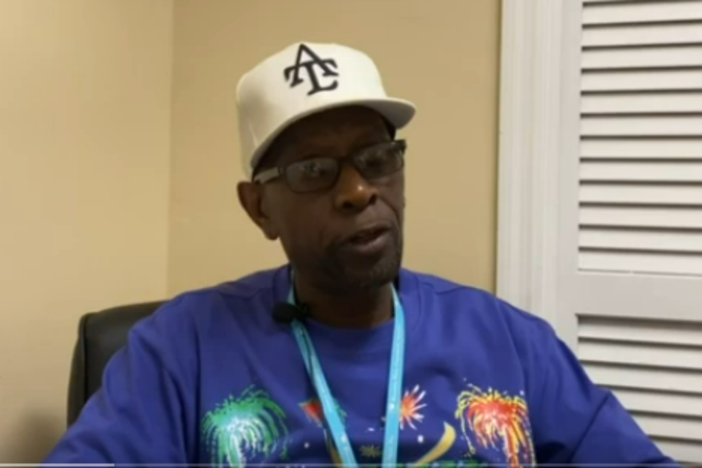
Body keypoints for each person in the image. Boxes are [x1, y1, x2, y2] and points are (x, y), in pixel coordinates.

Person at [43, 42, 680, 467]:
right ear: (259, 207)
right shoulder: (179, 348)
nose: (357, 190)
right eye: (315, 171)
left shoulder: (511, 343)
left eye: (376, 159)